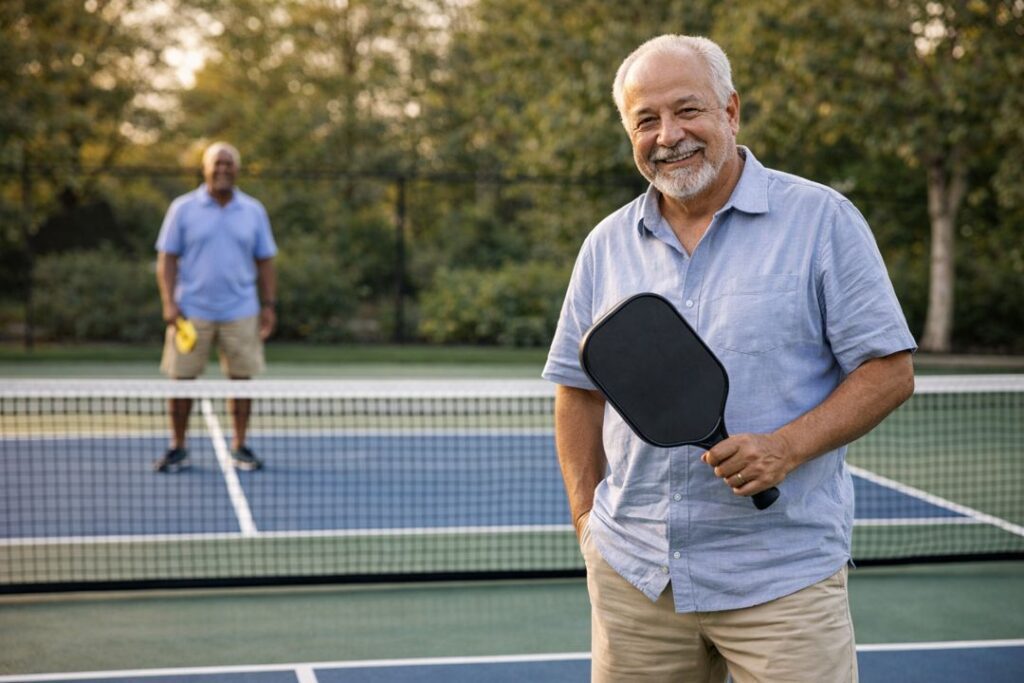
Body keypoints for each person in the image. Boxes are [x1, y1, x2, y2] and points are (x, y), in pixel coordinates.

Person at [543, 35, 916, 682]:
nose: (668, 135)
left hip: (782, 581)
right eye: (646, 120)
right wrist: (586, 523)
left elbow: (889, 370)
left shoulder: (823, 220)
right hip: (636, 579)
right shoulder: (605, 245)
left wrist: (787, 446)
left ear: (731, 111)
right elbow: (578, 389)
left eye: (688, 110)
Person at [153, 141, 278, 473]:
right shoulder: (182, 208)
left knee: (241, 380)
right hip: (191, 312)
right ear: (205, 169)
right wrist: (169, 303)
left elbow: (265, 261)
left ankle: (240, 446)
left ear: (237, 170)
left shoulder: (253, 211)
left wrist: (269, 305)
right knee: (181, 380)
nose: (223, 169)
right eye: (217, 164)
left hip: (242, 310)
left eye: (229, 164)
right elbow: (166, 258)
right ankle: (178, 447)